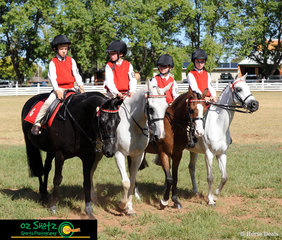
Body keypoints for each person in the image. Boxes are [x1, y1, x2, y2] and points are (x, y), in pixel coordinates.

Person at [31, 35, 85, 135]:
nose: (64, 51)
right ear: (56, 49)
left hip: (71, 88)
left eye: (65, 49)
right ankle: (37, 122)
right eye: (61, 49)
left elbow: (76, 74)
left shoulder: (71, 60)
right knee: (48, 103)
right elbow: (53, 78)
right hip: (59, 89)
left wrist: (81, 85)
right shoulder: (53, 62)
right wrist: (57, 90)